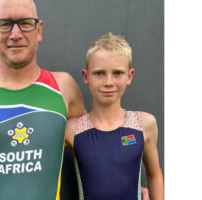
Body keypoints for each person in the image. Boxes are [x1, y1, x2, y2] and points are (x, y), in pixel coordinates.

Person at [0, 0, 85, 199]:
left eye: (25, 23)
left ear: (39, 30)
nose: (16, 35)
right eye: (5, 24)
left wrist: (130, 190)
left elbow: (95, 152)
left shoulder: (63, 87)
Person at [65, 33, 164, 200]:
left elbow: (154, 175)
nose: (108, 82)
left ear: (129, 76)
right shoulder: (72, 129)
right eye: (99, 73)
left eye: (117, 73)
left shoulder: (143, 124)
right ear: (86, 76)